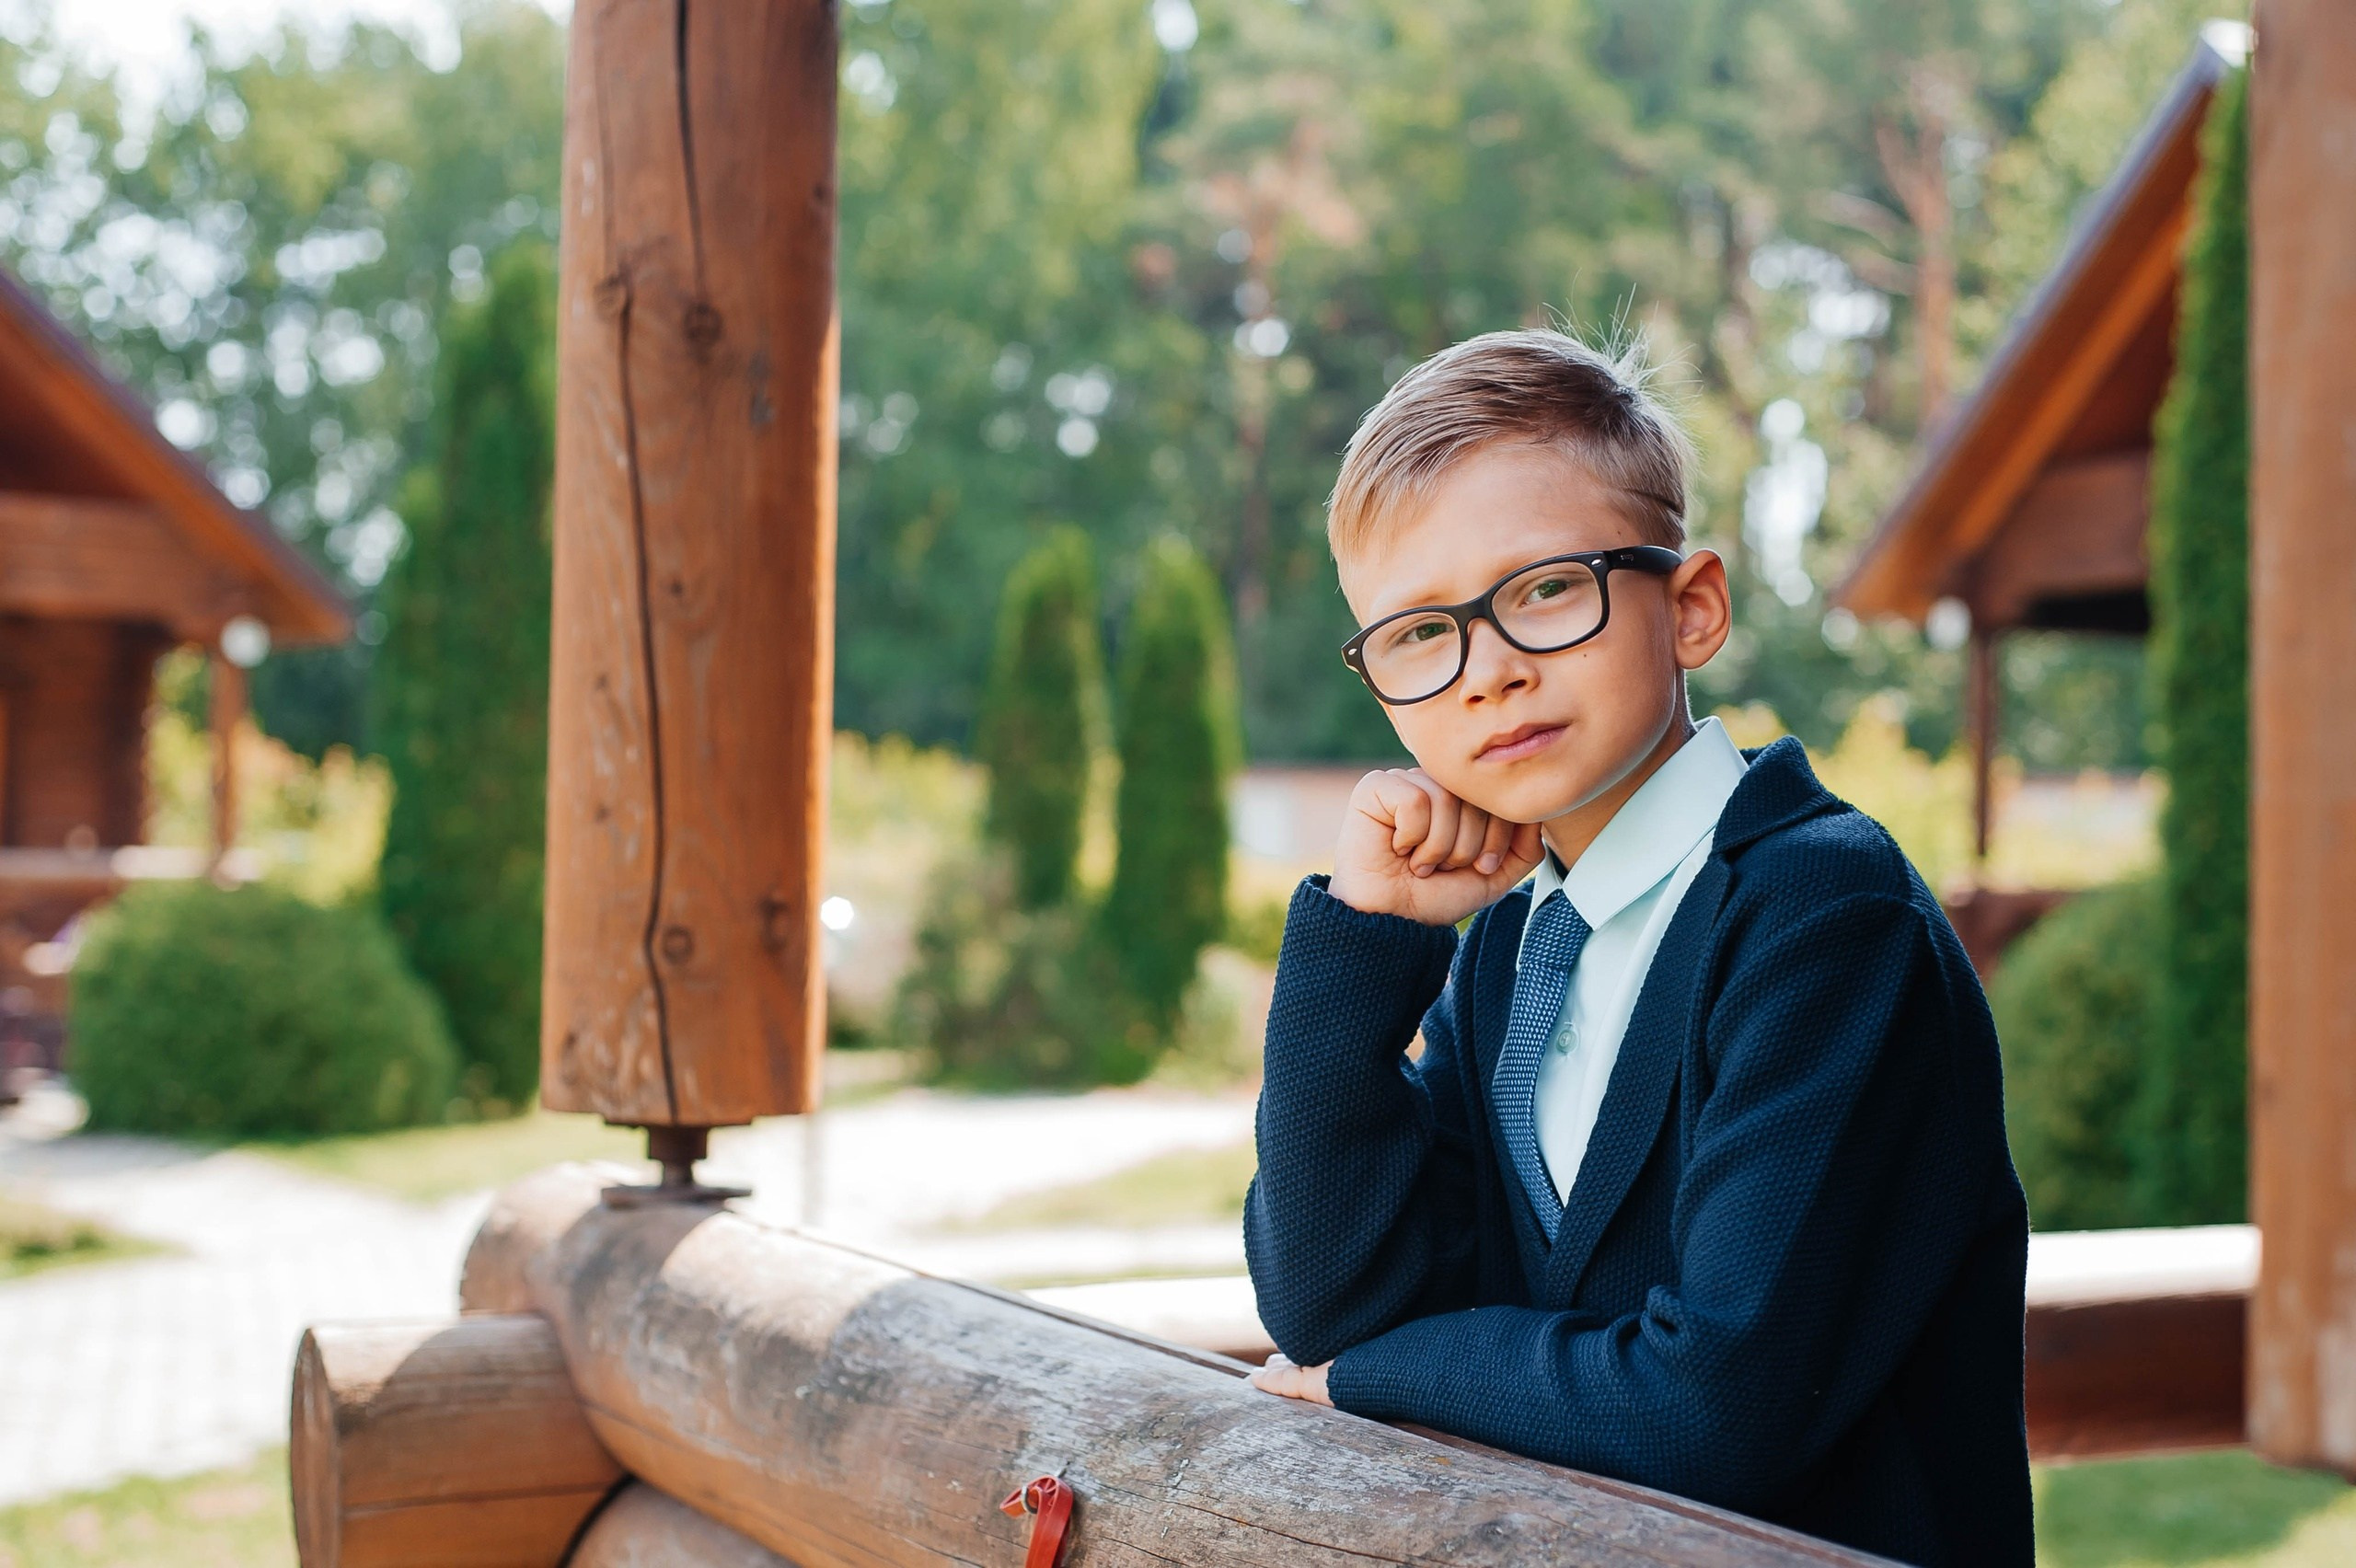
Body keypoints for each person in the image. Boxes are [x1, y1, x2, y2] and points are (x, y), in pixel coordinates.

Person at [1242, 329, 2029, 1566]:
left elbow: (1714, 1407)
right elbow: (1336, 1301)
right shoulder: (1508, 945)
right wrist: (1363, 944)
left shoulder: (1825, 917)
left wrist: (1375, 1373)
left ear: (1693, 607)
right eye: (1417, 634)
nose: (1487, 672)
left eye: (1547, 588)